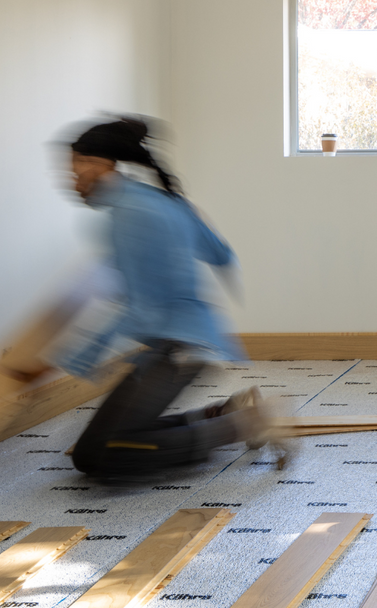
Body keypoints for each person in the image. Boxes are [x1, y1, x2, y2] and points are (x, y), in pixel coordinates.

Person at [57, 116, 279, 480]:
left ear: (101, 163)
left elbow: (141, 306)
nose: (71, 178)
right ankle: (226, 414)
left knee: (99, 457)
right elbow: (222, 255)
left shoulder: (127, 215)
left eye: (76, 166)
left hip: (174, 350)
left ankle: (243, 425)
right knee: (92, 451)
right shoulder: (163, 200)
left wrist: (82, 358)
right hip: (181, 342)